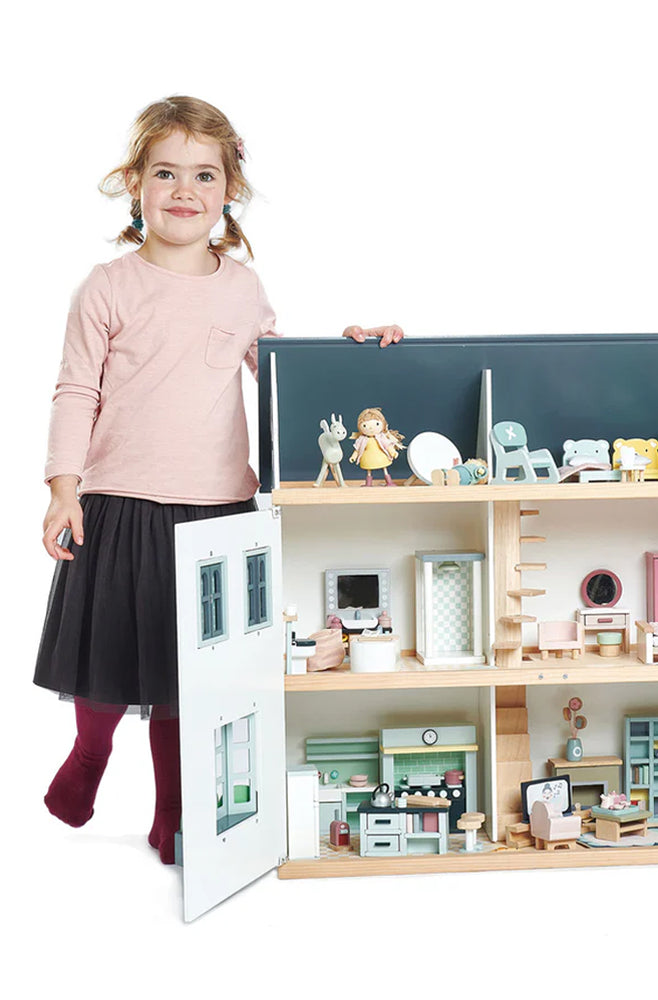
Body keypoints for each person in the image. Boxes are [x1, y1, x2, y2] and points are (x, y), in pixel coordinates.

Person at [34, 95, 402, 864]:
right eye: (165, 172)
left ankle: (173, 811)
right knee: (109, 652)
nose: (184, 189)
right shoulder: (106, 286)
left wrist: (350, 351)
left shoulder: (242, 288)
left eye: (204, 175)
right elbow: (75, 391)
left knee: (187, 674)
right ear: (135, 183)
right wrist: (63, 489)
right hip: (120, 500)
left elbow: (280, 375)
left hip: (217, 509)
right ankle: (91, 753)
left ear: (229, 190)